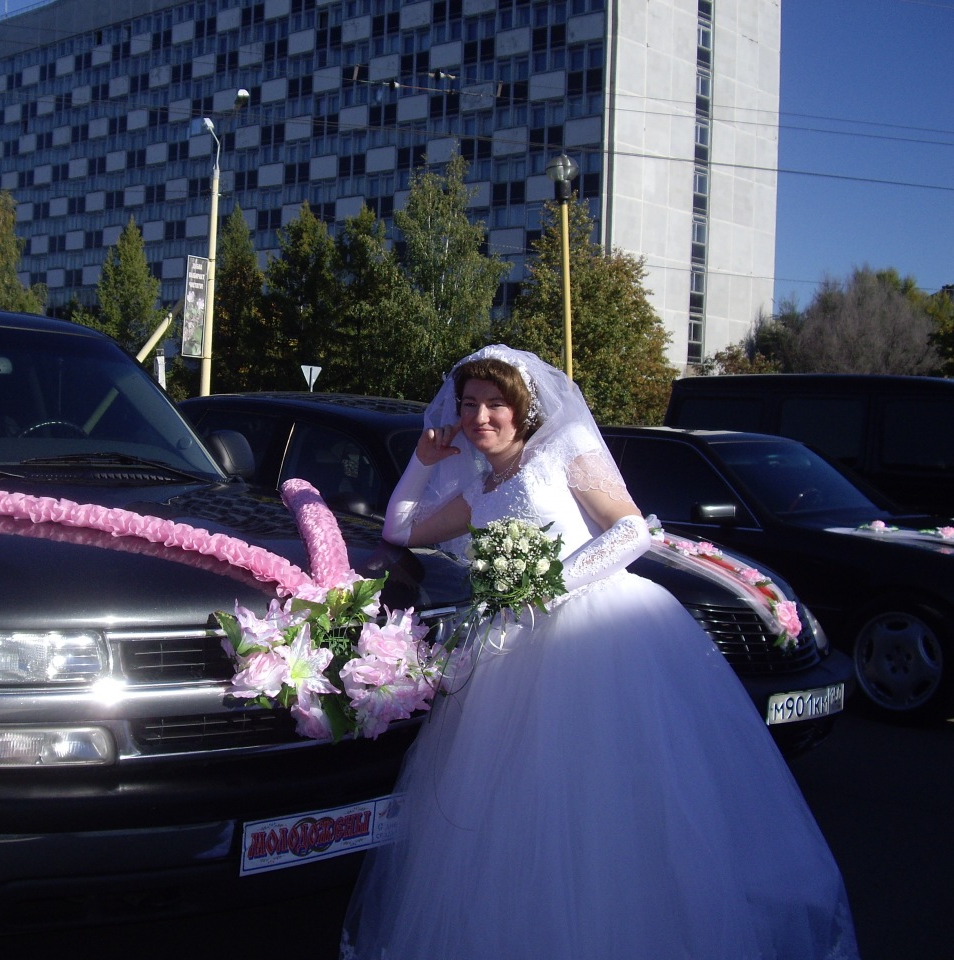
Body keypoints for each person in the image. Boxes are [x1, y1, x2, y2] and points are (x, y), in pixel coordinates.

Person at [340, 345, 857, 960]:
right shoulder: (479, 490)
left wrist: (552, 583)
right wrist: (422, 463)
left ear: (523, 408)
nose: (480, 417)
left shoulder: (564, 449)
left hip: (602, 633)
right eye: (469, 404)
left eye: (495, 404)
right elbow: (400, 529)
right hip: (515, 648)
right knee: (522, 807)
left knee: (615, 797)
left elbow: (632, 529)